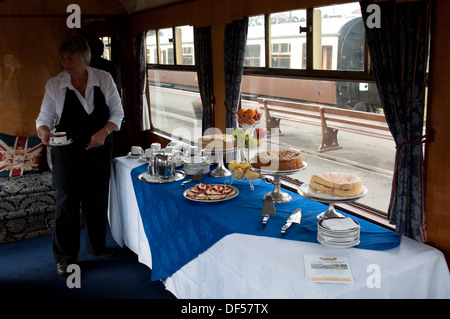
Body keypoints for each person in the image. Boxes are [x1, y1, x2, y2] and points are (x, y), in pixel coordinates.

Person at [36, 34, 124, 276]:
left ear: (84, 58)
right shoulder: (55, 85)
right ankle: (65, 258)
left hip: (99, 148)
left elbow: (117, 113)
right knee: (67, 206)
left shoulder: (103, 79)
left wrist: (104, 132)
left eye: (70, 58)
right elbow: (44, 119)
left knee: (96, 201)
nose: (65, 63)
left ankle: (97, 246)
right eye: (62, 58)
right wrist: (44, 132)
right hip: (68, 155)